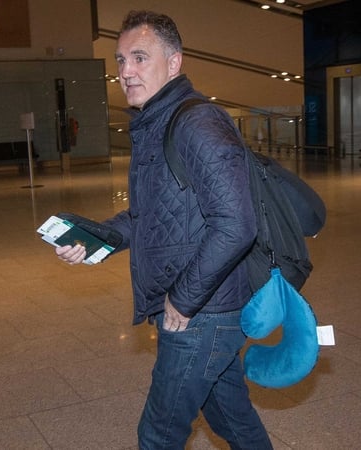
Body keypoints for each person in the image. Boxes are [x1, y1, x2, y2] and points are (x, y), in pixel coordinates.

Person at [55, 10, 273, 450]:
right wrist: (94, 238)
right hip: (206, 309)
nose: (125, 72)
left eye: (139, 58)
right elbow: (148, 218)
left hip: (202, 312)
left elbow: (237, 225)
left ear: (174, 63)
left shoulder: (196, 123)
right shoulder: (157, 123)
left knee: (158, 434)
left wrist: (183, 298)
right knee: (233, 420)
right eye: (119, 61)